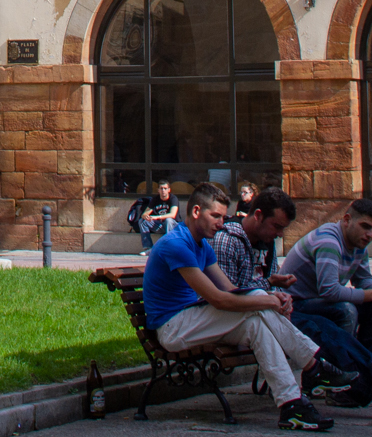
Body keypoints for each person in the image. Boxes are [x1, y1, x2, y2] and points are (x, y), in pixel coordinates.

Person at [141, 181, 352, 432]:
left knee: (255, 323)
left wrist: (270, 295)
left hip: (193, 319)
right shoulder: (176, 244)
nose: (221, 223)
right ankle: (315, 366)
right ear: (196, 212)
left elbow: (230, 289)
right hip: (172, 328)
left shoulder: (202, 246)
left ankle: (291, 405)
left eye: (223, 216)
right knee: (256, 306)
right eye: (215, 216)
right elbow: (220, 300)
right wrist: (269, 300)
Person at [215, 190, 372, 409]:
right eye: (277, 227)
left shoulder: (266, 238)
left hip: (274, 308)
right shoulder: (228, 239)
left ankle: (365, 382)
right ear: (258, 215)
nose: (280, 234)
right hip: (258, 313)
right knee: (336, 316)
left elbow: (265, 284)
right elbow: (231, 295)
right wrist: (273, 292)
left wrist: (277, 292)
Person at [281, 199, 372, 353]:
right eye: (365, 226)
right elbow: (329, 290)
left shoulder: (358, 244)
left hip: (319, 301)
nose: (369, 235)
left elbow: (363, 279)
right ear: (347, 220)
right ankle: (344, 367)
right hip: (294, 304)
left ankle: (368, 367)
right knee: (346, 311)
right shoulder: (329, 242)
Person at [128, 180, 181, 249]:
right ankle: (148, 247)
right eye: (161, 188)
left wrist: (156, 217)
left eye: (165, 188)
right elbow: (144, 214)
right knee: (142, 221)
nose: (163, 190)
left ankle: (169, 247)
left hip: (173, 226)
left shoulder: (173, 199)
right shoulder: (155, 199)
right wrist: (146, 216)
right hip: (160, 226)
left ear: (169, 190)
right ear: (158, 190)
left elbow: (172, 215)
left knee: (168, 220)